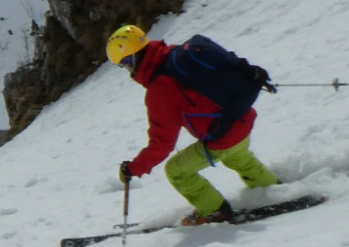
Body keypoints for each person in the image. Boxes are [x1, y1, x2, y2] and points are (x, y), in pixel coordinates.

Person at [106, 24, 280, 225]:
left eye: (124, 63)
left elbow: (162, 143)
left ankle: (215, 211)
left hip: (223, 137)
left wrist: (133, 168)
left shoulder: (160, 89)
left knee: (177, 171)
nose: (126, 69)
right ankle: (274, 191)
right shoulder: (175, 55)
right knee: (239, 159)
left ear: (134, 58)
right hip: (242, 118)